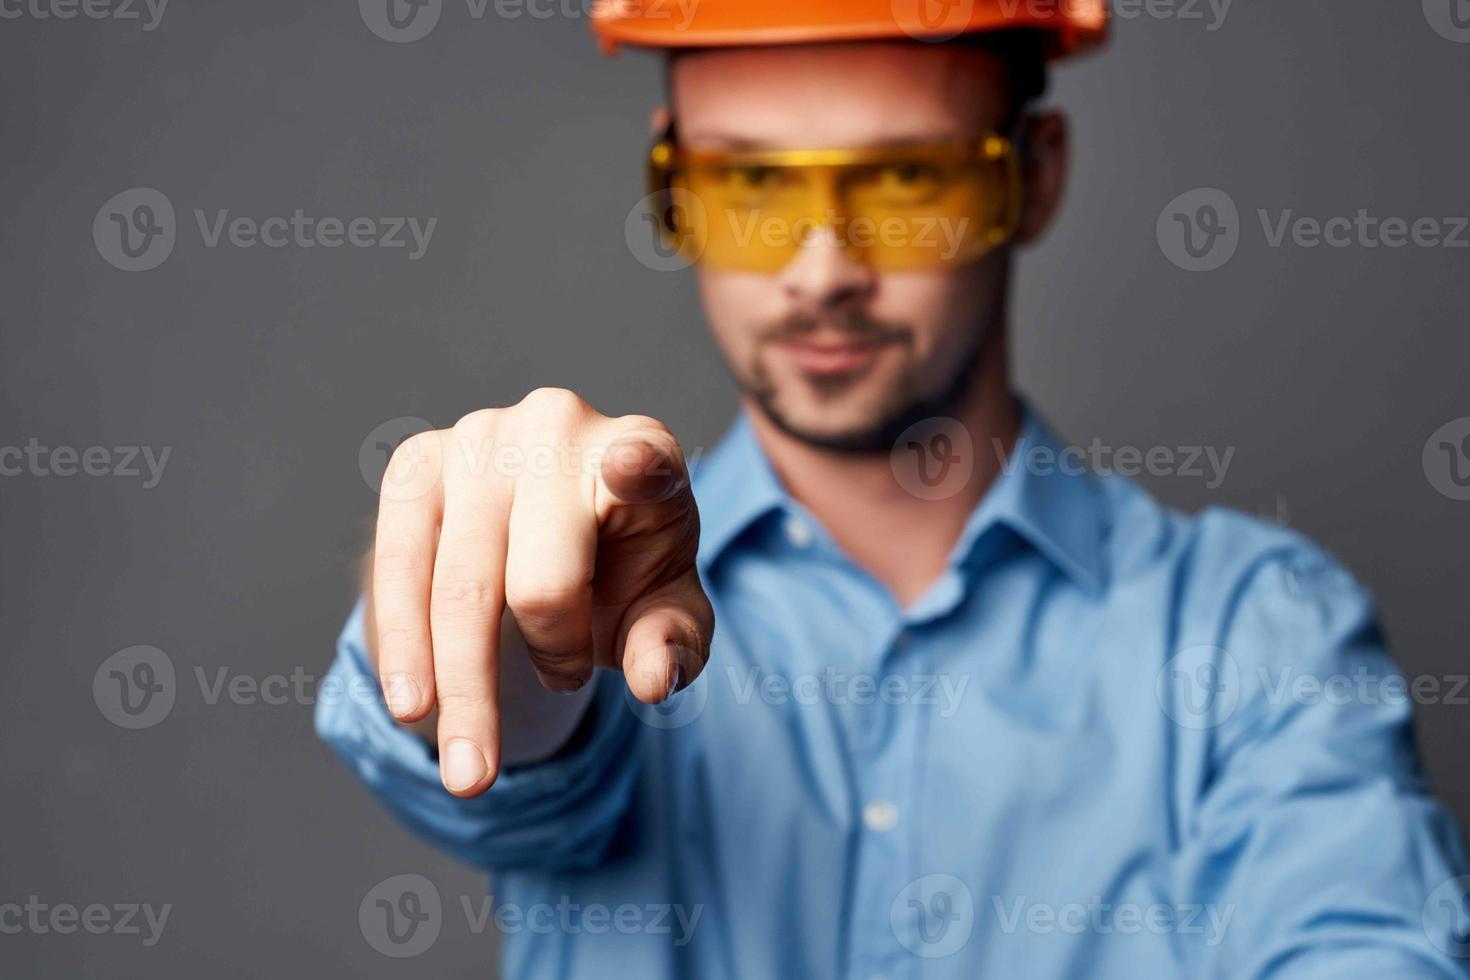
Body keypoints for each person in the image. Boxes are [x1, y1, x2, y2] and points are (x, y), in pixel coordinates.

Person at [317, 2, 1470, 975]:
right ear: (669, 184)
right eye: (751, 181)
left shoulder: (1258, 636)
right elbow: (517, 740)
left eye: (909, 176)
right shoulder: (615, 606)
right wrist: (508, 596)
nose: (824, 271)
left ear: (1037, 176)